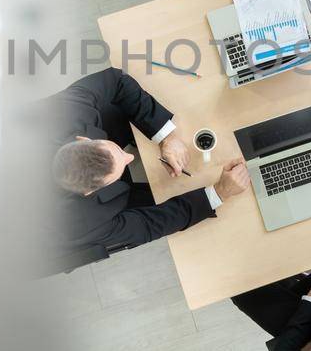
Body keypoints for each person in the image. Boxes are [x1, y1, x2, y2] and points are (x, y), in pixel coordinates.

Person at [46, 68, 250, 269]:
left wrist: (166, 137)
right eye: (123, 162)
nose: (130, 157)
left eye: (118, 150)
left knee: (115, 111)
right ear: (89, 191)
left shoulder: (65, 113)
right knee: (161, 200)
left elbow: (115, 80)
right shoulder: (81, 225)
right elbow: (149, 225)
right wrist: (219, 193)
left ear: (83, 139)